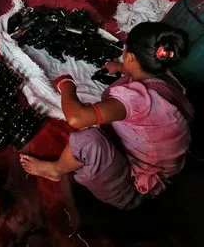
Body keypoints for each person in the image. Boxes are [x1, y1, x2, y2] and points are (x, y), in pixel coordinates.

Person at [20, 22, 193, 210]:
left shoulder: (137, 100)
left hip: (135, 188)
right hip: (163, 164)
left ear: (130, 56)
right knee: (120, 86)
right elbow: (144, 75)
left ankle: (55, 170)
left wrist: (67, 85)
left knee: (88, 140)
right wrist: (121, 67)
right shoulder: (168, 81)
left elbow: (76, 118)